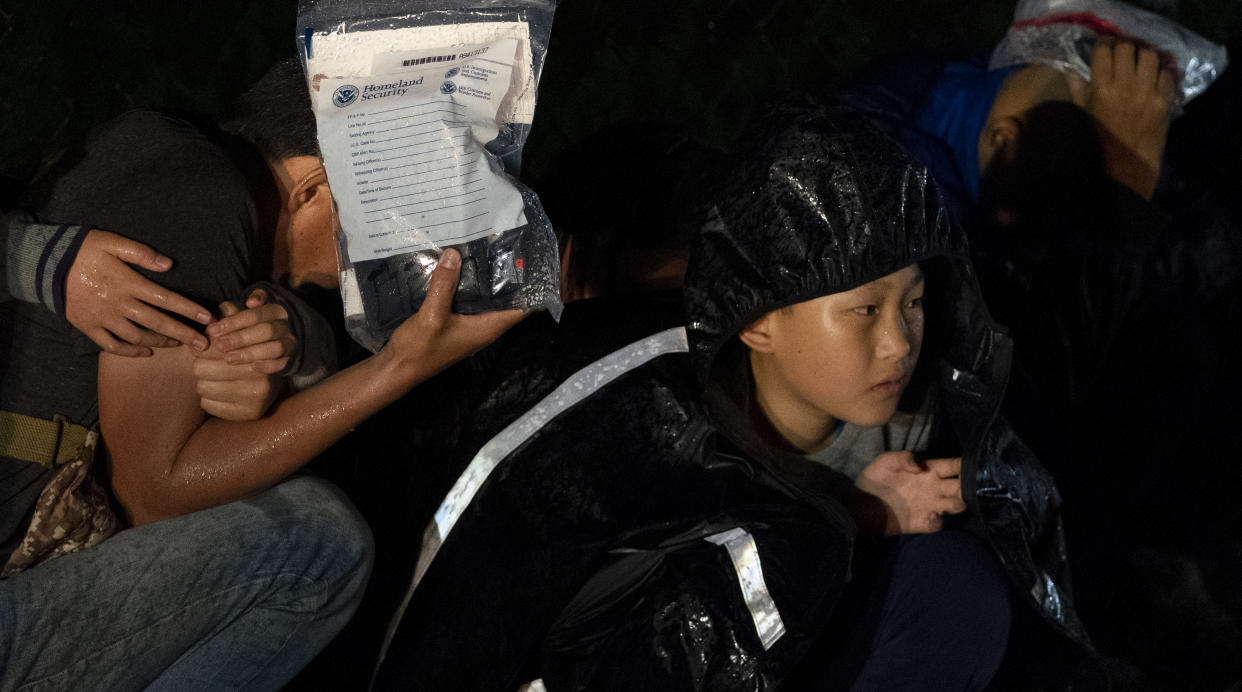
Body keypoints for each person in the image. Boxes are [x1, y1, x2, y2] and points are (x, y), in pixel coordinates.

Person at [369, 98, 1086, 690]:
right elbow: (456, 601)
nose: (899, 342)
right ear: (757, 319)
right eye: (865, 311)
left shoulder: (916, 399)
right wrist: (847, 513)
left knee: (951, 587)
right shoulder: (626, 403)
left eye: (916, 302)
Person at [0, 57, 523, 689]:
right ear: (315, 188)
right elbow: (155, 492)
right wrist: (401, 366)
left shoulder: (173, 163)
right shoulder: (199, 191)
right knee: (318, 544)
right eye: (386, 230)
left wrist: (293, 358)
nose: (383, 270)